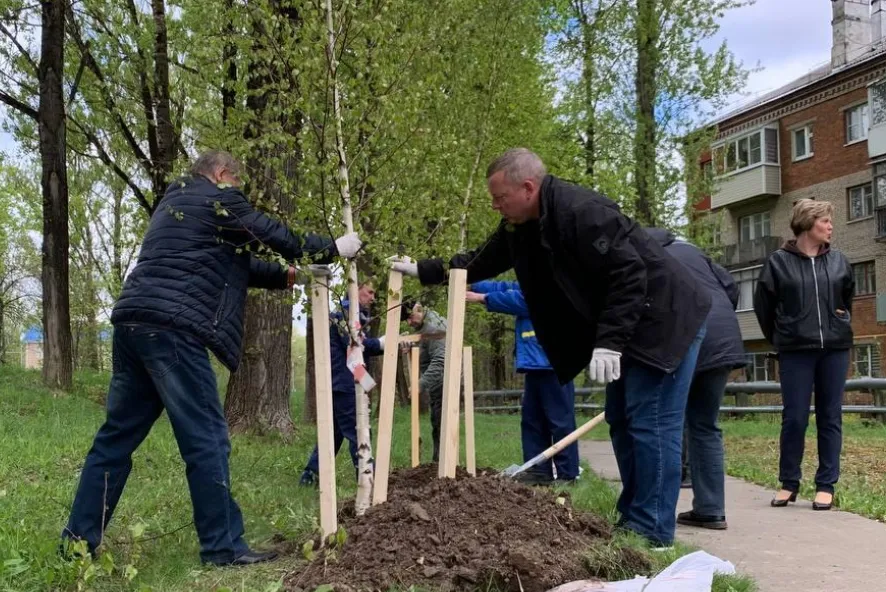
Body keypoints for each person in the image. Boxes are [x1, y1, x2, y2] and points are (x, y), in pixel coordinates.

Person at [392, 148, 712, 548]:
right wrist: (426, 270)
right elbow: (481, 260)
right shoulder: (523, 224)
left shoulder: (583, 211)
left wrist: (609, 343)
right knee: (623, 420)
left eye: (499, 198)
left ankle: (652, 533)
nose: (495, 206)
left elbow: (631, 274)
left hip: (663, 319)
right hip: (629, 323)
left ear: (527, 187)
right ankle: (634, 520)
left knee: (651, 423)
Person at [61, 150, 361, 566]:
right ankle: (222, 547)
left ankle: (77, 545)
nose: (238, 193)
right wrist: (330, 249)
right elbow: (274, 236)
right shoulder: (219, 199)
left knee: (114, 441)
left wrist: (292, 275)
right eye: (237, 184)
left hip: (133, 323)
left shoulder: (176, 205)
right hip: (173, 331)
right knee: (207, 439)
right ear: (222, 175)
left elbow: (235, 264)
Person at [754, 199, 854, 512]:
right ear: (808, 223)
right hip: (795, 350)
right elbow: (764, 309)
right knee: (795, 418)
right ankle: (788, 483)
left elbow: (846, 297)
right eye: (825, 221)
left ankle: (826, 485)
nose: (830, 226)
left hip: (834, 350)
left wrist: (840, 319)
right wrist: (783, 336)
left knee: (830, 416)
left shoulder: (839, 260)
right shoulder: (778, 263)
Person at [651, 229, 746, 530]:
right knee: (706, 423)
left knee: (667, 420)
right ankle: (711, 509)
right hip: (724, 336)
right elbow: (731, 287)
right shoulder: (693, 251)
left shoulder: (646, 255)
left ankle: (655, 511)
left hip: (686, 335)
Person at [465, 281, 579, 485]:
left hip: (554, 363)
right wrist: (475, 284)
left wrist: (483, 298)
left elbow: (527, 300)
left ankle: (567, 475)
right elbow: (508, 287)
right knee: (532, 421)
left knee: (560, 422)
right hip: (536, 363)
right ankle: (538, 471)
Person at [300, 282, 384, 486]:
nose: (373, 298)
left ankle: (309, 477)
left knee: (334, 435)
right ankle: (366, 481)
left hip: (344, 382)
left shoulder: (351, 316)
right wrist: (382, 343)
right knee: (360, 432)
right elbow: (357, 345)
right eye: (369, 291)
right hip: (345, 384)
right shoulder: (345, 316)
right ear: (356, 290)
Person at [405, 302, 446, 462]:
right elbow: (426, 352)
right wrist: (412, 347)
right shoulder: (424, 327)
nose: (409, 323)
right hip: (437, 385)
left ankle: (443, 467)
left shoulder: (434, 327)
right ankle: (438, 464)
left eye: (410, 317)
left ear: (419, 308)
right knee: (437, 424)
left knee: (442, 425)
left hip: (445, 384)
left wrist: (420, 384)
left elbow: (440, 361)